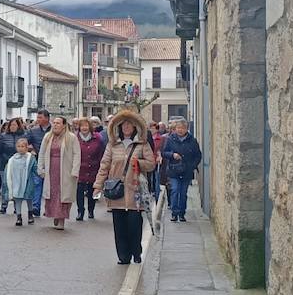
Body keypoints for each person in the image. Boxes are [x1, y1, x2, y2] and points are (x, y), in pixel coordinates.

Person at [94, 110, 157, 265]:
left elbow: (151, 164)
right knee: (119, 227)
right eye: (124, 125)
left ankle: (136, 252)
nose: (127, 127)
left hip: (136, 191)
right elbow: (104, 165)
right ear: (119, 127)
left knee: (135, 225)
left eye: (130, 124)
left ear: (135, 127)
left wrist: (139, 162)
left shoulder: (143, 144)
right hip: (118, 191)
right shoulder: (112, 145)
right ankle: (123, 256)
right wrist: (98, 185)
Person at [37, 116, 81, 230]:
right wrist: (40, 168)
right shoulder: (48, 137)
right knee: (52, 193)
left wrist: (75, 170)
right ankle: (54, 214)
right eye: (54, 123)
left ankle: (61, 219)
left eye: (58, 123)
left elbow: (77, 154)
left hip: (65, 169)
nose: (55, 125)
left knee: (63, 195)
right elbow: (41, 153)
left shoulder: (71, 138)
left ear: (64, 125)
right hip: (51, 169)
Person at [160, 120, 202, 222]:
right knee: (175, 190)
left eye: (182, 128)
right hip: (174, 170)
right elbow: (164, 152)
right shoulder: (170, 139)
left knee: (183, 192)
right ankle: (174, 213)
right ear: (175, 128)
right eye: (178, 128)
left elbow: (198, 155)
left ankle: (182, 213)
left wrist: (192, 166)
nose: (180, 130)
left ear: (186, 129)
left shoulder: (192, 140)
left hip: (187, 171)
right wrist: (172, 155)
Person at [74, 117, 106, 221]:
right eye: (82, 126)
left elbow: (102, 152)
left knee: (92, 191)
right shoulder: (75, 138)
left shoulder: (98, 138)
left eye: (86, 126)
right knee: (79, 192)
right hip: (80, 169)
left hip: (93, 168)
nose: (84, 128)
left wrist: (101, 166)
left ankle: (91, 210)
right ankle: (80, 211)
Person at [3, 136, 39, 226]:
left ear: (26, 147)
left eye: (23, 146)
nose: (20, 148)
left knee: (28, 198)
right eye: (18, 146)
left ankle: (30, 214)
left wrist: (41, 173)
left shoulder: (30, 158)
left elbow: (35, 169)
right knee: (17, 199)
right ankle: (19, 217)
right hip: (16, 182)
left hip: (27, 182)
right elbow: (8, 171)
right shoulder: (12, 159)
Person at [0, 119, 22, 215]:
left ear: (18, 126)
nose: (13, 126)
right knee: (5, 185)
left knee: (17, 186)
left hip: (18, 163)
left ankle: (17, 207)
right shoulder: (3, 136)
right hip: (5, 163)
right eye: (11, 125)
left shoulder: (23, 136)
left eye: (14, 125)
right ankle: (4, 206)